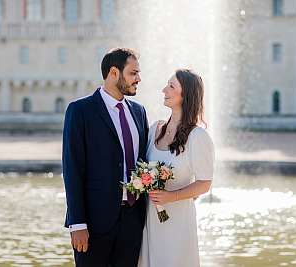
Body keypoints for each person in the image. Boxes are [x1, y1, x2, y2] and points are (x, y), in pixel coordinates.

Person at [62, 48, 149, 267]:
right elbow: (72, 169)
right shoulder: (80, 111)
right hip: (93, 223)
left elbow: (143, 163)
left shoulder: (139, 112)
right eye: (133, 73)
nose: (139, 79)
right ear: (113, 72)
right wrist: (77, 223)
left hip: (132, 220)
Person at [139, 69, 215, 267]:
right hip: (149, 220)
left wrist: (172, 196)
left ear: (186, 95)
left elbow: (205, 183)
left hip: (177, 222)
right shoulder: (155, 129)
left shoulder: (198, 137)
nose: (164, 89)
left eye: (171, 86)